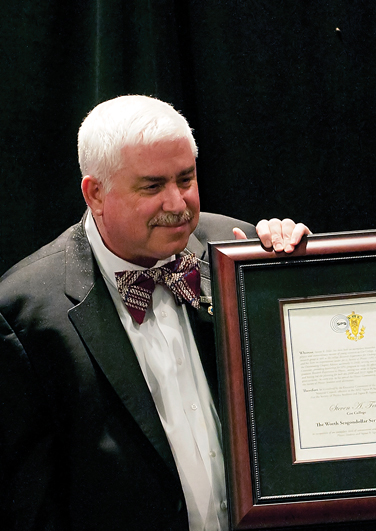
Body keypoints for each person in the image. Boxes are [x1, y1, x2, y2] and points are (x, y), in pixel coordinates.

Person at [0, 95, 310, 530]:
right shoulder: (23, 316)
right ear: (96, 194)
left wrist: (302, 273)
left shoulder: (239, 250)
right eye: (152, 186)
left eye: (186, 179)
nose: (177, 204)